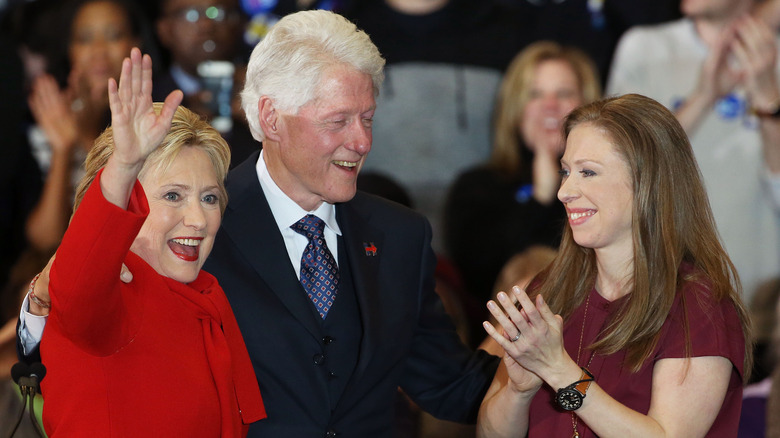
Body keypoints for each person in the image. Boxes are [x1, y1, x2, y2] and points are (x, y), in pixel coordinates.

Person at [19, 10, 499, 438]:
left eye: (368, 118)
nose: (361, 141)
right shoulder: (184, 237)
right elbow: (83, 298)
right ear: (271, 117)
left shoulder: (400, 236)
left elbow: (451, 385)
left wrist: (559, 378)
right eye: (338, 121)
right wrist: (42, 298)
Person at [477, 94, 751, 437]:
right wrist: (519, 391)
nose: (565, 191)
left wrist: (562, 373)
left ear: (646, 183)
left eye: (587, 172)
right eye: (566, 171)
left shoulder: (697, 305)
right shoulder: (550, 289)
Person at [27, 48, 265, 436]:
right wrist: (123, 167)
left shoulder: (207, 297)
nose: (199, 219)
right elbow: (76, 281)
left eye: (209, 198)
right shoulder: (107, 297)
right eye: (173, 196)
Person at [606, 0, 780, 304]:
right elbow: (616, 169)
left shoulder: (773, 58)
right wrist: (703, 97)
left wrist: (768, 100)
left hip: (760, 302)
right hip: (659, 299)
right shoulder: (643, 47)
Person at [444, 41, 601, 310]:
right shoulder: (476, 187)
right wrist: (540, 197)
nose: (550, 105)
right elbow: (481, 278)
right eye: (535, 94)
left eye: (563, 93)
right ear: (514, 108)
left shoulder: (608, 185)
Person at [24, 0, 153, 255]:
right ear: (69, 49)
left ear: (135, 43)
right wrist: (64, 148)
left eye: (114, 36)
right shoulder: (47, 118)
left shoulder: (156, 118)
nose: (98, 51)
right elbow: (45, 240)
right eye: (84, 39)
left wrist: (87, 137)